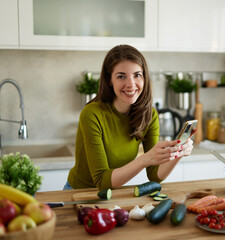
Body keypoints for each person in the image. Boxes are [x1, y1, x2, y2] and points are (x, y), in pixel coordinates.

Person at [64, 45, 194, 190]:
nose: (131, 84)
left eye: (137, 75)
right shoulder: (92, 113)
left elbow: (154, 175)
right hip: (79, 194)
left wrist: (178, 153)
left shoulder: (149, 115)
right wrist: (145, 159)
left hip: (112, 195)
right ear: (109, 80)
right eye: (121, 76)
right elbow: (101, 181)